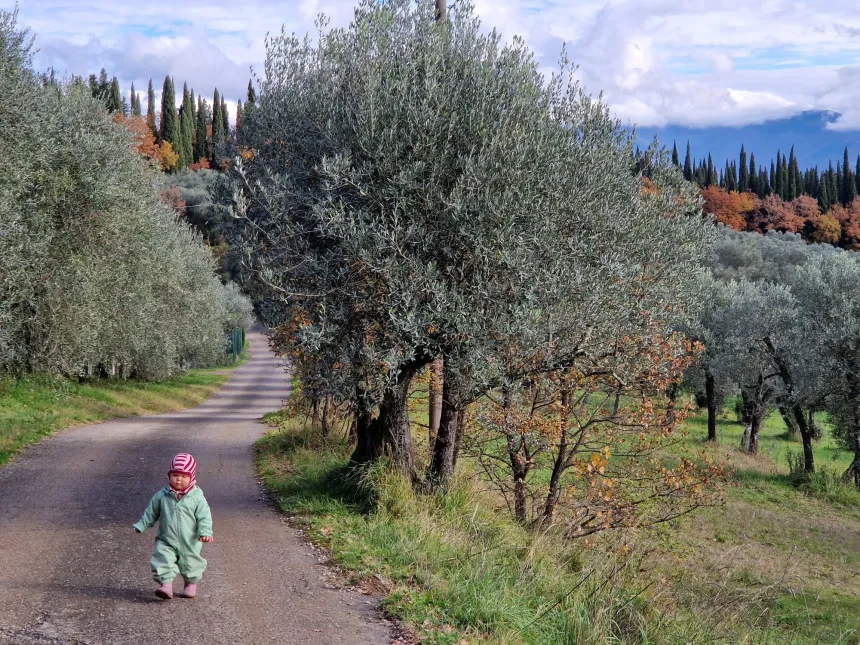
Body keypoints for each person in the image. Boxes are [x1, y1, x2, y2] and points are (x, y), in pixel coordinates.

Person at [133, 453, 213, 599]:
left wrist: (205, 531)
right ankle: (166, 586)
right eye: (175, 475)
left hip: (190, 540)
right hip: (166, 538)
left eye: (183, 476)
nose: (178, 479)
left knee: (191, 563)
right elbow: (151, 512)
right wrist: (142, 524)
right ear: (169, 476)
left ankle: (190, 584)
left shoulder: (197, 497)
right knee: (162, 558)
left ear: (191, 477)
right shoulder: (162, 496)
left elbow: (204, 516)